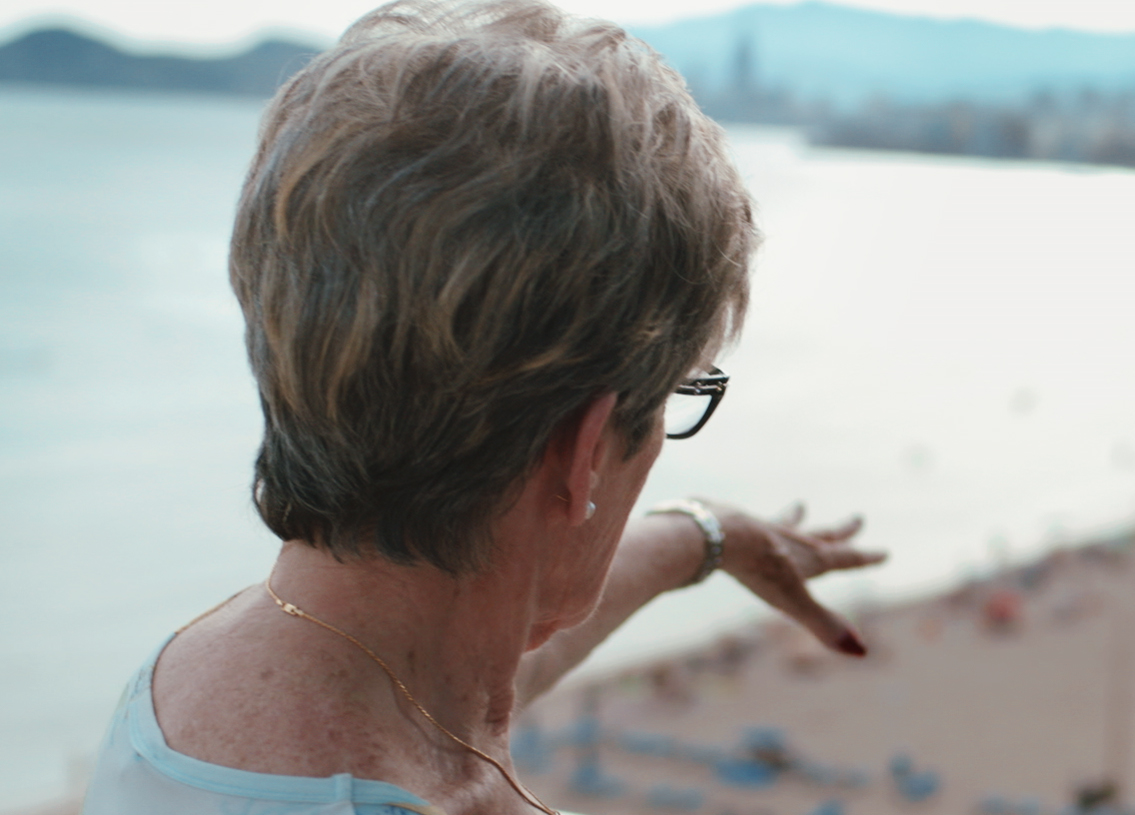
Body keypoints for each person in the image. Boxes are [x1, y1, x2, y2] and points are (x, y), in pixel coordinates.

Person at [80, 2, 885, 813]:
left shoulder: (178, 687)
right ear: (587, 453)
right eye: (680, 390)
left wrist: (703, 537)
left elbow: (464, 661)